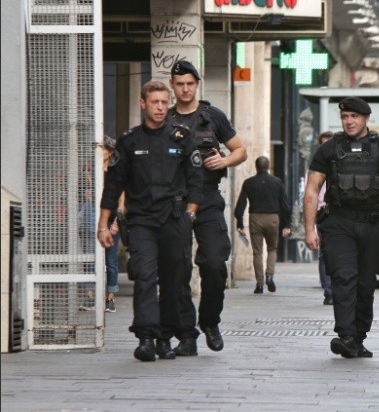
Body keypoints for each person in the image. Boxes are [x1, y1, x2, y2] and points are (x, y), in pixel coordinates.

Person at [97, 80, 203, 362]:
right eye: (154, 102)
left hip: (174, 219)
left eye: (164, 102)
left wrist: (190, 215)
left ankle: (165, 337)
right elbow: (113, 185)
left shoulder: (182, 137)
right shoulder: (130, 141)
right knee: (144, 275)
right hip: (142, 220)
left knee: (172, 280)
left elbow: (196, 181)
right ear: (142, 104)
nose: (160, 107)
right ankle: (146, 337)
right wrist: (103, 224)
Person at [303, 97, 379, 359]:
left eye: (354, 117)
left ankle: (358, 336)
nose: (349, 121)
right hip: (338, 223)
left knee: (365, 283)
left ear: (366, 119)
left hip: (373, 224)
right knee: (344, 278)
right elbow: (312, 188)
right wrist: (308, 229)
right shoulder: (328, 150)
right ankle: (346, 335)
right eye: (344, 117)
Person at [168, 60, 247, 353]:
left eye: (190, 83)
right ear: (173, 86)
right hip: (173, 202)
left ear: (197, 84)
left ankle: (210, 321)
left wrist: (224, 160)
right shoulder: (166, 117)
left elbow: (241, 149)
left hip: (208, 197)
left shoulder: (213, 115)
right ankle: (186, 335)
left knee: (214, 263)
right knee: (176, 269)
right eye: (180, 84)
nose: (185, 89)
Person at [234, 156, 292, 294]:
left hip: (255, 218)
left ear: (256, 166)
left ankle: (259, 285)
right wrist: (286, 224)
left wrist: (240, 222)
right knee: (272, 248)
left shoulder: (249, 183)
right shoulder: (277, 182)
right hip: (273, 218)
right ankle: (269, 275)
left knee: (257, 252)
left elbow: (240, 206)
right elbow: (286, 206)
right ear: (268, 166)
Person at [99, 135, 126, 313]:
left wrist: (117, 221)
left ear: (109, 152)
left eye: (102, 148)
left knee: (111, 259)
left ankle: (110, 297)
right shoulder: (90, 171)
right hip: (93, 216)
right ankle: (91, 295)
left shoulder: (116, 171)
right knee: (90, 257)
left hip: (111, 217)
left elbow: (122, 200)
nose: (99, 152)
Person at [313, 131, 335, 305]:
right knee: (324, 254)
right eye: (323, 144)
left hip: (339, 213)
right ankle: (328, 292)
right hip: (322, 213)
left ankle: (337, 289)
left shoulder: (342, 163)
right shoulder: (316, 166)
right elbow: (310, 193)